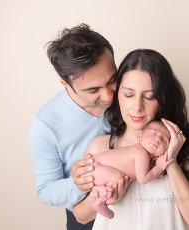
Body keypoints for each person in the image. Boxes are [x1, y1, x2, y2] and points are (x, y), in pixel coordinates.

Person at [72, 49, 189, 230]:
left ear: (162, 99)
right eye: (129, 94)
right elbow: (81, 217)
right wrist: (105, 197)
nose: (137, 107)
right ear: (117, 95)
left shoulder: (184, 145)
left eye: (149, 96)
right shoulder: (101, 146)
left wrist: (170, 160)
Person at [29, 24, 129, 230]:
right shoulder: (45, 124)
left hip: (139, 205)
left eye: (112, 80)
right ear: (66, 84)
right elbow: (46, 190)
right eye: (93, 90)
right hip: (88, 218)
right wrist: (77, 183)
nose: (109, 96)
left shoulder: (130, 92)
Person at [85, 121, 173, 219]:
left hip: (96, 169)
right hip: (96, 168)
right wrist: (159, 167)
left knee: (118, 178)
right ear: (140, 136)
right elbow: (143, 179)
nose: (158, 139)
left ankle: (99, 188)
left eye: (164, 140)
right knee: (119, 178)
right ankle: (99, 202)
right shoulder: (140, 152)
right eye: (153, 133)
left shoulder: (140, 152)